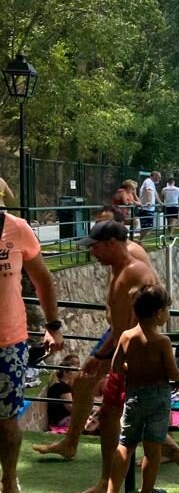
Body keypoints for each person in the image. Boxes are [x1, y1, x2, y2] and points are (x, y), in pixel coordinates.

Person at [35, 220, 179, 491]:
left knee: (133, 421)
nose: (92, 253)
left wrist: (108, 360)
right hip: (123, 353)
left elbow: (132, 326)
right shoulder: (120, 269)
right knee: (116, 414)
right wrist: (105, 356)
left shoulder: (134, 272)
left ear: (112, 243)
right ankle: (103, 476)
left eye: (96, 247)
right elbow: (122, 324)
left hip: (131, 359)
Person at [0, 210, 64, 492]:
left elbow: (42, 279)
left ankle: (9, 480)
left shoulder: (16, 228)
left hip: (8, 343)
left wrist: (53, 325)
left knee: (7, 419)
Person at [107, 285, 179, 493]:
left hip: (134, 396)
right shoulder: (162, 341)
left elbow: (115, 366)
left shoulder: (126, 336)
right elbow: (173, 372)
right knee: (152, 447)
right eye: (167, 309)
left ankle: (111, 491)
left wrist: (132, 368)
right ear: (159, 313)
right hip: (158, 398)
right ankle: (146, 490)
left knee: (125, 444)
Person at [48, 354, 81, 430]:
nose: (74, 372)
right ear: (65, 372)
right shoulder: (64, 387)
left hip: (57, 419)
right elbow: (69, 407)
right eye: (72, 371)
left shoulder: (57, 385)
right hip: (62, 419)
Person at [137, 171, 161, 240]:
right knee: (148, 227)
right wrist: (149, 201)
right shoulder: (148, 182)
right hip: (146, 208)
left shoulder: (151, 183)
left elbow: (155, 193)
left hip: (149, 208)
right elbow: (149, 191)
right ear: (154, 176)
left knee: (147, 227)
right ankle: (139, 241)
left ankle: (140, 241)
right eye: (158, 177)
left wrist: (160, 202)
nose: (159, 179)